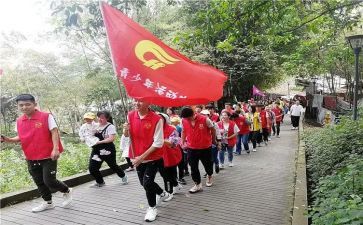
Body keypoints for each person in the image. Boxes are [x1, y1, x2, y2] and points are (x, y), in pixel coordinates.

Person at [1, 94, 73, 212]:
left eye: (28, 104)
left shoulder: (46, 116)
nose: (24, 107)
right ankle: (48, 203)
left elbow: (54, 132)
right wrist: (7, 139)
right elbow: (20, 137)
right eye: (21, 105)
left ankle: (67, 190)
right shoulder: (19, 121)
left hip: (48, 155)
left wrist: (55, 149)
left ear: (35, 104)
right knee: (39, 181)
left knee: (49, 181)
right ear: (18, 106)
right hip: (30, 156)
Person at [123, 100, 170, 222]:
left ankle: (152, 208)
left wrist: (141, 157)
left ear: (148, 103)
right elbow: (127, 136)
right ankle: (162, 192)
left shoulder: (156, 119)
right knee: (143, 183)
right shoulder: (130, 115)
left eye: (140, 101)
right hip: (136, 156)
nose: (136, 103)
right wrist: (125, 130)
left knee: (148, 183)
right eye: (135, 100)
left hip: (152, 157)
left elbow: (158, 142)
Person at [180, 107, 216, 193]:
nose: (187, 120)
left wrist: (213, 140)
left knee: (208, 164)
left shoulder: (205, 119)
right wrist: (182, 142)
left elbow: (213, 129)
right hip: (191, 147)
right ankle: (198, 184)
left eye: (188, 118)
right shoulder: (184, 121)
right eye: (185, 118)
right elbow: (183, 131)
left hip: (205, 147)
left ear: (192, 115)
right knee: (193, 166)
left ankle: (209, 175)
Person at [89, 111, 128, 187]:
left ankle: (123, 176)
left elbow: (111, 139)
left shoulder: (110, 127)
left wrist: (99, 142)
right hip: (97, 150)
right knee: (92, 167)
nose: (100, 119)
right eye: (99, 117)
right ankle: (100, 182)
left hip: (108, 150)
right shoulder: (95, 126)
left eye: (102, 118)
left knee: (113, 165)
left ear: (107, 118)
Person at [158, 113, 183, 198]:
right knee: (165, 174)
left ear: (165, 120)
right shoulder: (154, 129)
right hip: (160, 155)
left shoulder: (172, 129)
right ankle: (176, 184)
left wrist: (161, 139)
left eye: (160, 119)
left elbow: (173, 143)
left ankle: (169, 192)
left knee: (168, 174)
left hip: (171, 155)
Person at [200, 109, 222, 175]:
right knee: (206, 159)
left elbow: (218, 133)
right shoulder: (200, 125)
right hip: (204, 144)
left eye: (205, 115)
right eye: (202, 115)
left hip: (213, 143)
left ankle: (217, 164)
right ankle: (208, 171)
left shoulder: (214, 124)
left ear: (209, 116)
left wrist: (219, 143)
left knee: (214, 157)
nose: (203, 116)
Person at [170, 116, 187, 185]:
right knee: (180, 163)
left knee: (179, 163)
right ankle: (180, 177)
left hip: (177, 146)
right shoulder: (178, 128)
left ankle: (178, 177)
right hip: (178, 146)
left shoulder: (178, 128)